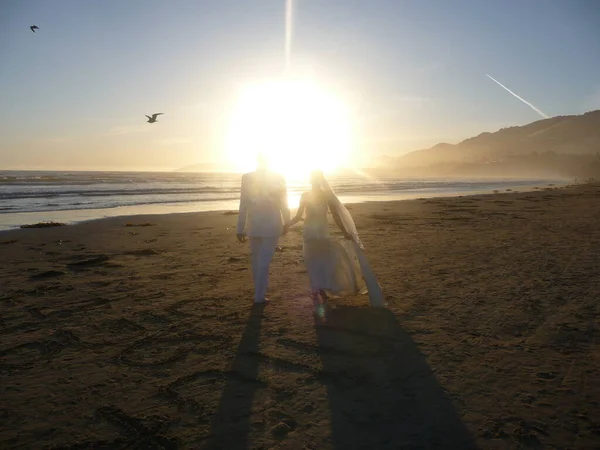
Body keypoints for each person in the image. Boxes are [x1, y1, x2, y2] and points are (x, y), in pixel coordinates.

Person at [284, 170, 384, 311]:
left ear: (311, 180)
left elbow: (298, 216)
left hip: (310, 232)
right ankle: (322, 290)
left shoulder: (306, 195)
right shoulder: (325, 196)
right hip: (320, 232)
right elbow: (336, 217)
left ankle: (318, 290)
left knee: (312, 262)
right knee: (324, 261)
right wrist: (345, 232)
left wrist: (286, 225)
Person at [237, 154, 290, 304]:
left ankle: (259, 293)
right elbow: (284, 203)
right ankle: (259, 295)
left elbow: (244, 204)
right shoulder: (278, 177)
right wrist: (287, 221)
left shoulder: (247, 177)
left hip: (254, 225)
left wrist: (240, 228)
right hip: (272, 224)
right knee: (263, 261)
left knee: (257, 260)